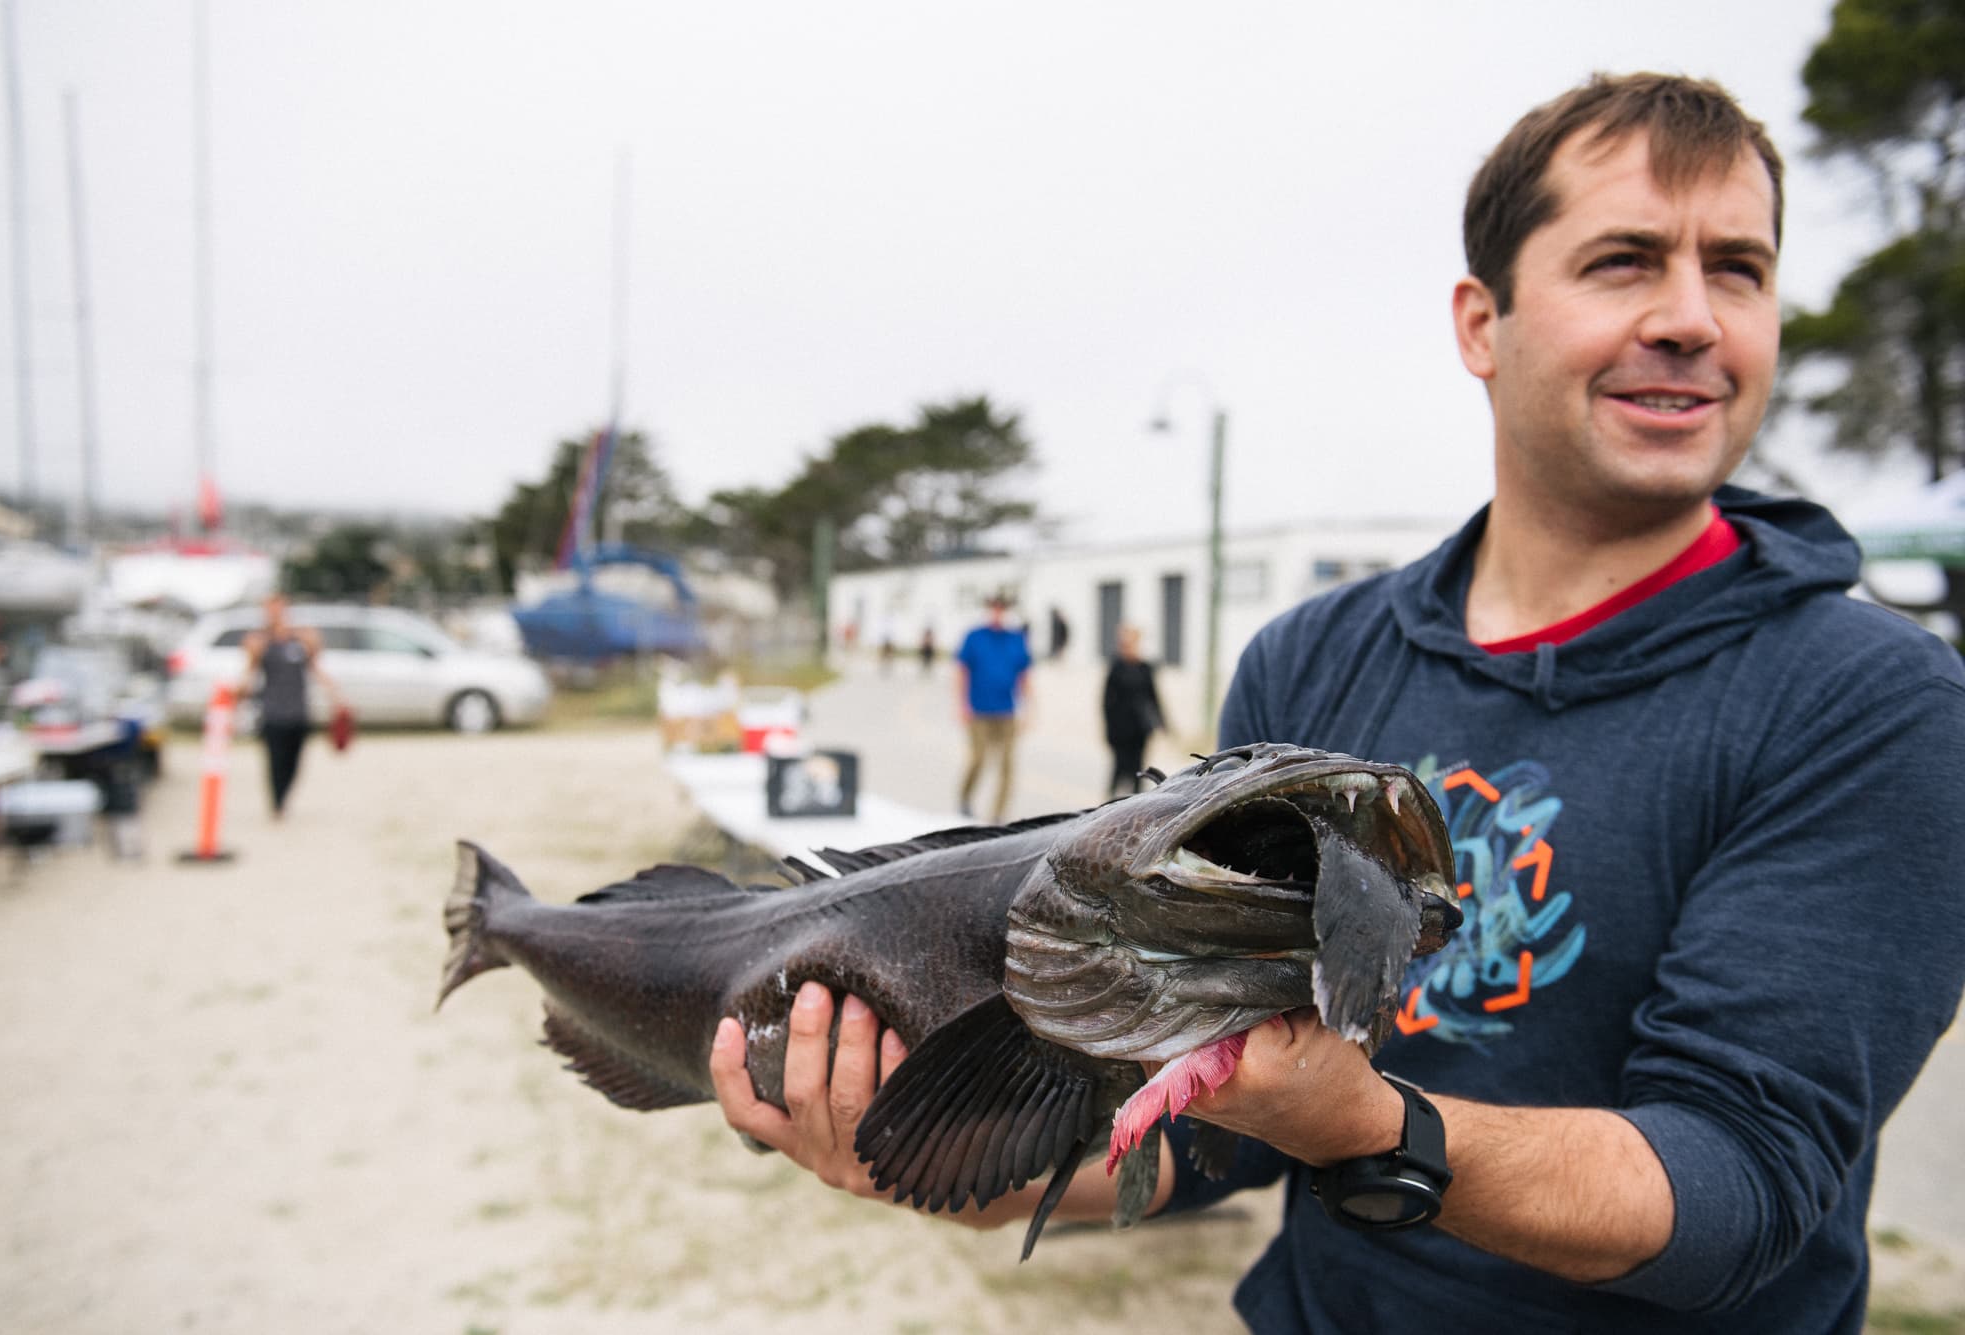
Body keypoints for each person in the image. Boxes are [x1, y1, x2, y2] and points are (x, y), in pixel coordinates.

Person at [710, 73, 1965, 1332]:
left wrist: (1373, 1125)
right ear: (1481, 323)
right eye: (1623, 261)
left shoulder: (1872, 703)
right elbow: (1231, 1129)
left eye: (1737, 270)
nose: (1690, 318)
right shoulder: (1311, 666)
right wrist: (971, 1167)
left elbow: (1736, 1189)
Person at [237, 595, 341, 820]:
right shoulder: (261, 642)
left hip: (298, 710)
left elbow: (316, 666)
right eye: (270, 610)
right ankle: (277, 803)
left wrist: (336, 696)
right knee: (275, 761)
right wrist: (237, 696)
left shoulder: (300, 640)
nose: (275, 614)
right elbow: (249, 672)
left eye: (279, 609)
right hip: (272, 712)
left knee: (295, 760)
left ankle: (284, 797)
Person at [954, 594, 1031, 822]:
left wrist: (1028, 708)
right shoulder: (975, 637)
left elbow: (1024, 675)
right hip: (979, 709)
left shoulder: (1015, 638)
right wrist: (961, 704)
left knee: (1007, 765)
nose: (998, 613)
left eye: (1001, 609)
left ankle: (998, 814)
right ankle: (965, 797)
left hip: (1006, 710)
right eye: (994, 608)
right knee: (979, 758)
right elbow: (962, 671)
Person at [1101, 623, 1166, 798]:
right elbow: (1106, 702)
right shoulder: (1116, 667)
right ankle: (1110, 806)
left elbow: (1153, 697)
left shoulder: (1145, 668)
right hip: (1120, 730)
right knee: (1119, 769)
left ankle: (1136, 805)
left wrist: (1162, 723)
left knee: (1138, 770)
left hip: (1139, 730)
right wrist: (1108, 730)